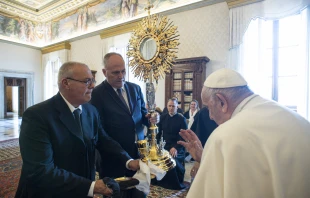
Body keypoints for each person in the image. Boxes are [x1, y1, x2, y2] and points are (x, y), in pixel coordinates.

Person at [178, 68, 310, 198]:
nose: (210, 116)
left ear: (222, 102)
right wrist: (205, 157)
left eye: (208, 107)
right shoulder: (298, 120)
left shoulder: (224, 136)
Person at [16, 62, 140, 198]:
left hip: (82, 191)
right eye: (87, 81)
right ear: (66, 83)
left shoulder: (90, 111)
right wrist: (91, 186)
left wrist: (128, 161)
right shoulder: (37, 116)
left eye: (93, 81)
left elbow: (104, 141)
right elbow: (41, 171)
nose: (93, 86)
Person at [90, 52, 158, 197]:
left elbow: (142, 116)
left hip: (139, 153)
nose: (121, 76)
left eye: (123, 71)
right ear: (104, 72)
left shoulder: (135, 88)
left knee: (139, 193)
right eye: (115, 72)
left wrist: (151, 118)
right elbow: (99, 131)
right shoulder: (97, 94)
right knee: (116, 194)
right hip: (113, 158)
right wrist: (124, 157)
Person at [151, 98, 187, 190]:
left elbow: (184, 136)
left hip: (178, 146)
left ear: (177, 107)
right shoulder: (163, 117)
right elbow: (158, 133)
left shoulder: (181, 119)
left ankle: (173, 183)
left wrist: (175, 147)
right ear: (167, 106)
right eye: (169, 106)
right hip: (165, 145)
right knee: (156, 156)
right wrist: (156, 146)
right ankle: (160, 181)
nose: (171, 108)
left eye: (173, 106)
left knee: (171, 158)